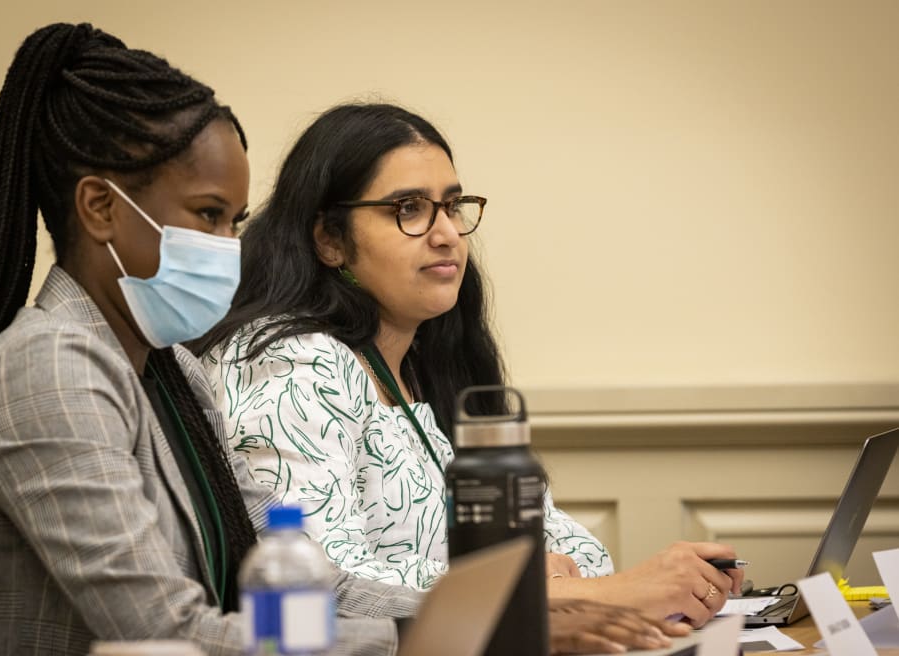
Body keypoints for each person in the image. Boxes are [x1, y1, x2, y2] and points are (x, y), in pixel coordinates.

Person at [0, 23, 683, 656]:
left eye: (235, 221)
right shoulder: (49, 369)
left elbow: (305, 589)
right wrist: (458, 636)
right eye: (205, 217)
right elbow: (173, 632)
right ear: (99, 209)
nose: (230, 247)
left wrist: (507, 621)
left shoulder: (172, 374)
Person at [195, 103, 743, 627]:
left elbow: (571, 547)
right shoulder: (286, 362)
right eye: (408, 209)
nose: (448, 233)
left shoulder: (428, 364)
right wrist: (544, 588)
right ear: (329, 240)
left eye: (452, 206)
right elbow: (325, 583)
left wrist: (579, 582)